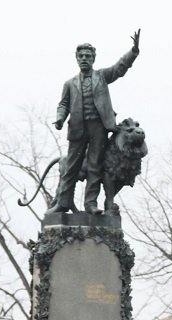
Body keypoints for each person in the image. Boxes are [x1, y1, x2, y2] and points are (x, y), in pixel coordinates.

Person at [49, 31, 141, 214]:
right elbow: (64, 104)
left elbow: (119, 68)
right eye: (81, 56)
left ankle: (90, 204)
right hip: (77, 128)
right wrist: (60, 118)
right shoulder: (69, 83)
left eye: (88, 56)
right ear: (76, 58)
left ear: (93, 58)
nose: (84, 58)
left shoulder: (102, 76)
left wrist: (133, 51)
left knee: (95, 166)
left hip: (98, 127)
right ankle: (63, 202)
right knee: (71, 167)